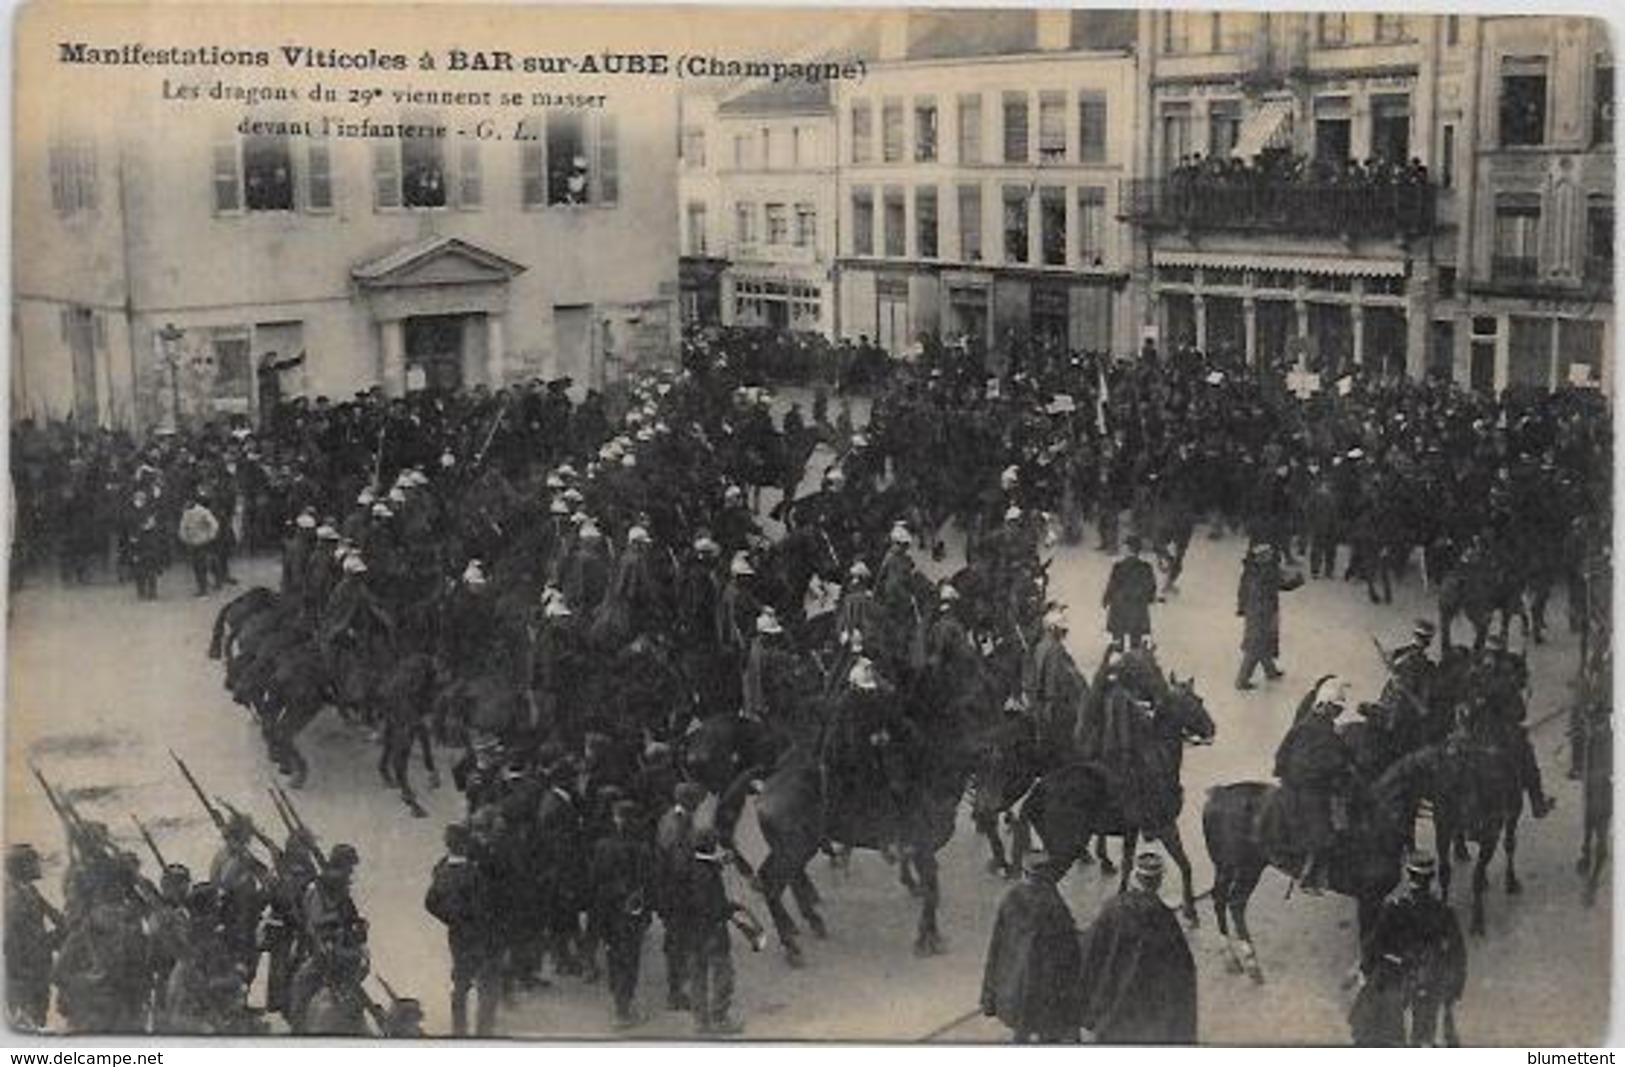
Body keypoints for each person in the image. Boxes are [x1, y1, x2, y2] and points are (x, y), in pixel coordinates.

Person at [1075, 850, 1197, 1044]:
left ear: (1135, 878)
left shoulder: (1113, 907)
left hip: (1112, 1015)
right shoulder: (1165, 918)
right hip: (1146, 1018)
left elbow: (1090, 950)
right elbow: (1183, 970)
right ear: (1159, 882)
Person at [1349, 853, 1467, 1047]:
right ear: (1432, 879)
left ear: (1408, 876)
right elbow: (1457, 955)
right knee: (1430, 1036)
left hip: (1396, 981)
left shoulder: (1394, 909)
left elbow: (1373, 946)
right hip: (1429, 982)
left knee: (1372, 1026)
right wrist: (1453, 989)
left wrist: (1366, 971)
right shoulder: (1444, 912)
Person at [979, 857, 1081, 1043]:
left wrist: (990, 993)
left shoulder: (1011, 898)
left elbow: (997, 946)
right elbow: (1070, 948)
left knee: (1021, 1032)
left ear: (1025, 874)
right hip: (1046, 988)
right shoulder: (1054, 903)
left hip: (1016, 984)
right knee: (1048, 1035)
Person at [1273, 678, 1356, 894]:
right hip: (1306, 788)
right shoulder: (1319, 731)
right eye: (1336, 708)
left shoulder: (1309, 723)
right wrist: (1340, 770)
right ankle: (1308, 877)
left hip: (1296, 781)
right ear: (1325, 706)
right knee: (1324, 832)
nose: (1338, 713)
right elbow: (1329, 761)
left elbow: (1282, 753)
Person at [425, 823, 498, 1036]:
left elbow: (430, 902)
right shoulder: (473, 873)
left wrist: (450, 918)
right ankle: (484, 1032)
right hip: (479, 935)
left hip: (456, 935)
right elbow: (482, 907)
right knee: (487, 984)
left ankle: (459, 1030)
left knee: (460, 982)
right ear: (466, 845)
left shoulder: (441, 869)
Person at [588, 798, 653, 1028]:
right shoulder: (642, 848)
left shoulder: (602, 845)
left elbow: (594, 881)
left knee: (614, 956)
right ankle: (623, 1010)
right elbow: (647, 884)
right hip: (630, 910)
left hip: (607, 910)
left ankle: (619, 1003)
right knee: (630, 959)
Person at [682, 828, 748, 1035]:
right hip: (712, 932)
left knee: (697, 976)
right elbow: (711, 907)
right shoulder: (707, 874)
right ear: (710, 845)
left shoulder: (688, 864)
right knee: (723, 974)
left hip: (692, 932)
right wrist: (731, 907)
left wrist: (718, 862)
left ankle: (700, 1021)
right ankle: (720, 1018)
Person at [5, 844, 60, 1031]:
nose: (39, 866)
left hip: (37, 968)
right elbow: (15, 940)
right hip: (25, 973)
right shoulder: (12, 897)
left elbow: (56, 917)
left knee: (38, 1016)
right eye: (34, 862)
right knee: (27, 1022)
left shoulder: (30, 891)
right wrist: (53, 940)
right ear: (22, 867)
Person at [1235, 542, 1303, 690]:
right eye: (1268, 555)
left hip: (1255, 611)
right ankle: (1242, 680)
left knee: (1262, 642)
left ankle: (1270, 671)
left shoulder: (1251, 571)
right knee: (1257, 646)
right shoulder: (1267, 572)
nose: (1270, 556)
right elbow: (1284, 585)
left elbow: (1242, 591)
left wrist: (1241, 607)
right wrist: (1298, 579)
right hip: (1264, 612)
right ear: (1262, 557)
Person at [1102, 535, 1158, 650]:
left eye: (1125, 546)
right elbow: (1151, 587)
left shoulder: (1118, 567)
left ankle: (1119, 652)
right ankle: (1134, 654)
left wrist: (1106, 599)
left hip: (1120, 608)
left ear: (1128, 549)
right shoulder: (1146, 567)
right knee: (1136, 637)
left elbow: (1112, 586)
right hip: (1138, 607)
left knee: (1118, 636)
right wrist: (1148, 599)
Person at [178, 494, 221, 596]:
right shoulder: (186, 513)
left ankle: (208, 586)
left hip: (204, 542)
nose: (186, 503)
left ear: (193, 501)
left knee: (204, 565)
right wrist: (185, 538)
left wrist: (210, 536)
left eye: (188, 501)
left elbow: (214, 524)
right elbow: (182, 527)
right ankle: (202, 587)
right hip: (193, 544)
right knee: (196, 566)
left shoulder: (203, 511)